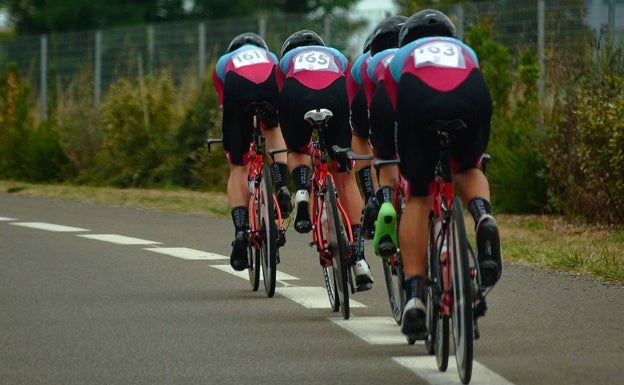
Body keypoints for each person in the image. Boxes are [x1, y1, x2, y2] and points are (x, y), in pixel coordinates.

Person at [385, 9, 502, 338]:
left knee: (419, 196)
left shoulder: (402, 55)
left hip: (419, 100)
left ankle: (413, 298)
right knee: (467, 166)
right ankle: (481, 216)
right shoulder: (465, 50)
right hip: (471, 96)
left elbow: (398, 114)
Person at [276, 30, 374, 291]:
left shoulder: (286, 63)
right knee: (344, 176)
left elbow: (278, 100)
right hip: (336, 94)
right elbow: (352, 94)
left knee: (297, 150)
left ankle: (302, 193)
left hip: (296, 96)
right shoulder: (337, 56)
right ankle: (360, 259)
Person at [213, 32, 292, 271]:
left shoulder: (223, 62)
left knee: (238, 166)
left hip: (237, 86)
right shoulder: (270, 57)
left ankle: (240, 231)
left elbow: (225, 109)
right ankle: (281, 183)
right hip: (270, 81)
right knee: (273, 128)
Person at [358, 15, 407, 257]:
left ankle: (382, 200)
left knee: (378, 150)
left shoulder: (369, 60)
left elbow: (370, 112)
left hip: (380, 97)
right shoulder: (415, 53)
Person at [346, 33, 377, 240]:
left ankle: (371, 195)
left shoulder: (363, 61)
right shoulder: (412, 53)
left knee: (360, 137)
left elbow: (351, 105)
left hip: (371, 100)